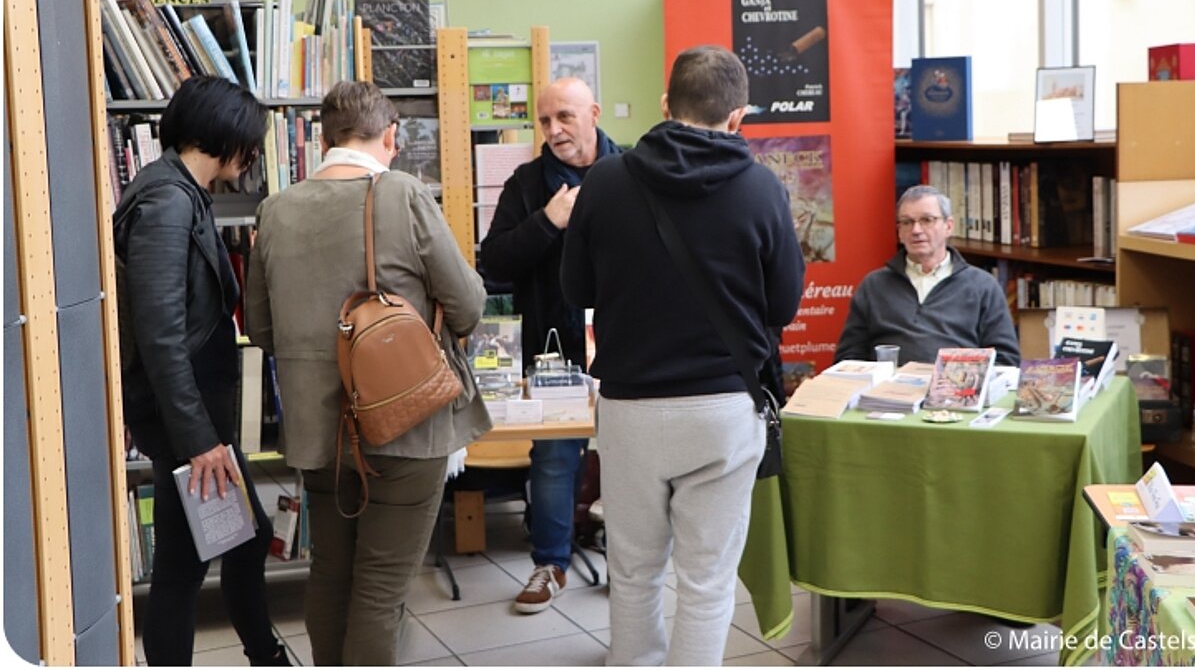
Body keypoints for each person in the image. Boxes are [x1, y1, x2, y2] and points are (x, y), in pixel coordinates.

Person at [561, 45, 805, 665]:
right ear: (739, 116)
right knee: (706, 582)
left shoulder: (606, 182)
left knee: (635, 570)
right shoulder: (762, 189)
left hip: (630, 409)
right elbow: (783, 306)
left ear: (666, 104)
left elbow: (576, 291)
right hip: (724, 409)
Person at [245, 81, 491, 665]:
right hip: (406, 421)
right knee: (381, 589)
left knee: (331, 574)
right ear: (390, 136)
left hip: (319, 430)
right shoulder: (401, 194)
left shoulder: (275, 209)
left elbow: (259, 328)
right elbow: (468, 304)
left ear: (323, 140)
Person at [113, 76, 288, 666]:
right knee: (185, 568)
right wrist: (199, 442)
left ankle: (266, 653)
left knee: (243, 539)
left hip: (195, 418)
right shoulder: (166, 203)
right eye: (252, 143)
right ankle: (264, 655)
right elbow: (162, 337)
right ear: (226, 136)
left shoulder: (181, 192)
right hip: (187, 423)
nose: (255, 156)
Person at [479, 76, 622, 613]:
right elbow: (492, 261)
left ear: (594, 113)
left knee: (631, 453)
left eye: (564, 116)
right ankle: (551, 564)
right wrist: (548, 221)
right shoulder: (526, 183)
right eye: (544, 120)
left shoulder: (630, 172)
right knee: (557, 459)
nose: (554, 130)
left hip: (626, 343)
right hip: (554, 348)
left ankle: (629, 562)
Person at [834, 184, 1020, 367]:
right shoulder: (874, 286)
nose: (916, 230)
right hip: (889, 392)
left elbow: (1006, 360)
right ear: (899, 232)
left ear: (948, 226)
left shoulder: (982, 286)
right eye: (907, 222)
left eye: (927, 220)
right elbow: (848, 357)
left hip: (956, 391)